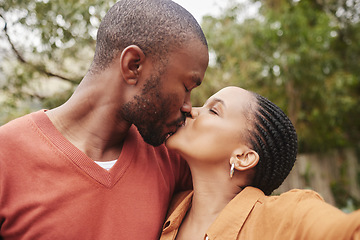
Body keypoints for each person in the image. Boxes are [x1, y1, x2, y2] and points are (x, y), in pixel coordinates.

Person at [0, 0, 209, 239]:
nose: (188, 106)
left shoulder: (172, 158)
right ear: (133, 65)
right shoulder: (5, 156)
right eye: (186, 86)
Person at [160, 86, 360, 240]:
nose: (191, 110)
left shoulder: (286, 216)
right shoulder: (165, 205)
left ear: (243, 157)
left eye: (213, 111)